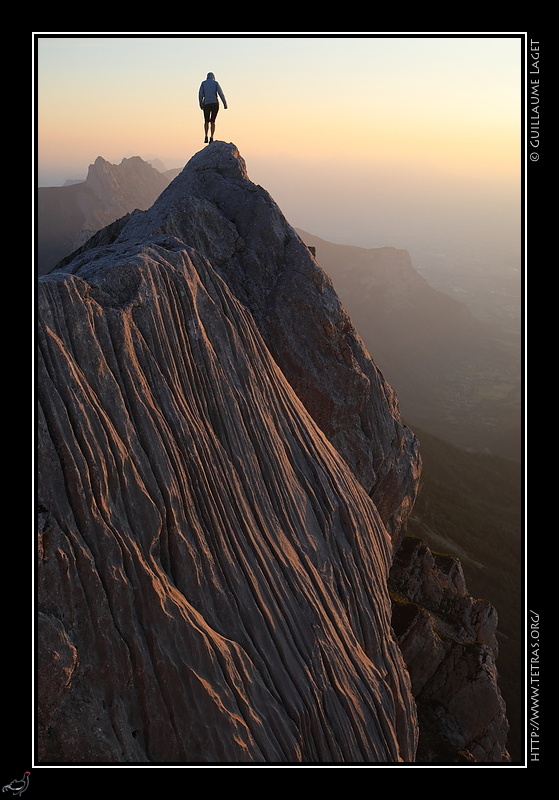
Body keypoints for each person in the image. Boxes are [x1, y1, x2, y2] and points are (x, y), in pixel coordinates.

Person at [198, 72, 228, 143]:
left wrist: (200, 103)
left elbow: (200, 94)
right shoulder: (215, 83)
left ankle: (206, 136)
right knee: (213, 121)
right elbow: (221, 94)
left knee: (206, 121)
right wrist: (225, 103)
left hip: (206, 104)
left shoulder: (203, 83)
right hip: (215, 103)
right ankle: (211, 137)